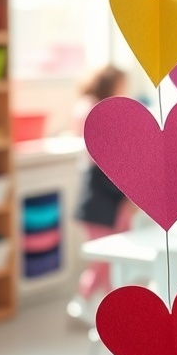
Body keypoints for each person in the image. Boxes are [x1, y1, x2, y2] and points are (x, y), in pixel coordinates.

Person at [67, 65, 134, 323]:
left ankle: (95, 303)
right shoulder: (93, 111)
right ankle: (88, 302)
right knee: (105, 259)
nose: (124, 92)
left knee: (108, 260)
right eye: (121, 87)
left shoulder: (98, 111)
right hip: (100, 203)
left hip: (108, 202)